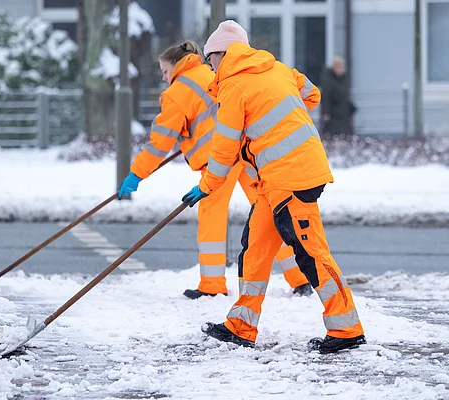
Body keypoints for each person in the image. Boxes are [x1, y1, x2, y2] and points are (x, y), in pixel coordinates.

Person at [182, 21, 366, 354]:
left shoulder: (234, 86)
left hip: (294, 178)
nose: (210, 68)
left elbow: (223, 147)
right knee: (254, 249)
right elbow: (312, 94)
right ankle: (242, 325)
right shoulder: (278, 68)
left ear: (223, 55)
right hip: (275, 179)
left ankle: (347, 328)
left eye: (210, 60)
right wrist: (279, 122)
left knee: (312, 254)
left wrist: (207, 185)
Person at [118, 40, 313, 300]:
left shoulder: (177, 92)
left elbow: (160, 143)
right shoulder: (212, 72)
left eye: (164, 71)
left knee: (211, 216)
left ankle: (212, 284)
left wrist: (136, 174)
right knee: (268, 214)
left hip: (218, 160)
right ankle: (300, 279)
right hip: (247, 151)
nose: (164, 78)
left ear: (177, 66)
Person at [320, 56, 357, 136]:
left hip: (344, 114)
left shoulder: (344, 79)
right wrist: (325, 113)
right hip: (333, 115)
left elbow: (345, 95)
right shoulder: (328, 80)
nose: (341, 69)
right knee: (333, 135)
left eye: (342, 66)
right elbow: (325, 98)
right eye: (339, 66)